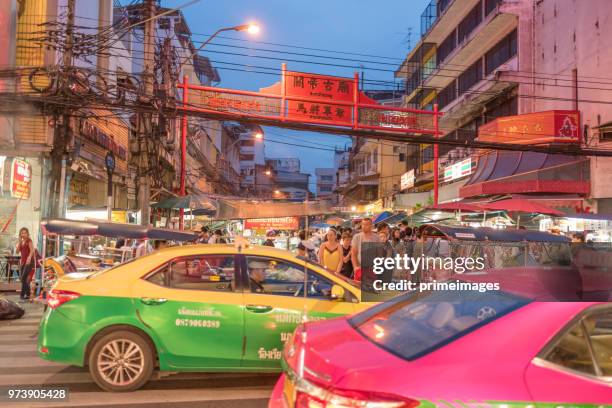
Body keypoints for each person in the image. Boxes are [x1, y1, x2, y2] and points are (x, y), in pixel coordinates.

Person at [16, 227, 35, 301]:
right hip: (23, 262)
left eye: (25, 233)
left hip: (29, 262)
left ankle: (22, 296)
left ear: (27, 234)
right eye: (22, 233)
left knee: (23, 278)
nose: (23, 234)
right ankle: (28, 294)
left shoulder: (29, 241)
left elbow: (32, 250)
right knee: (23, 279)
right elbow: (17, 252)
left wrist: (29, 257)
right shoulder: (21, 242)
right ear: (20, 234)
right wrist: (19, 242)